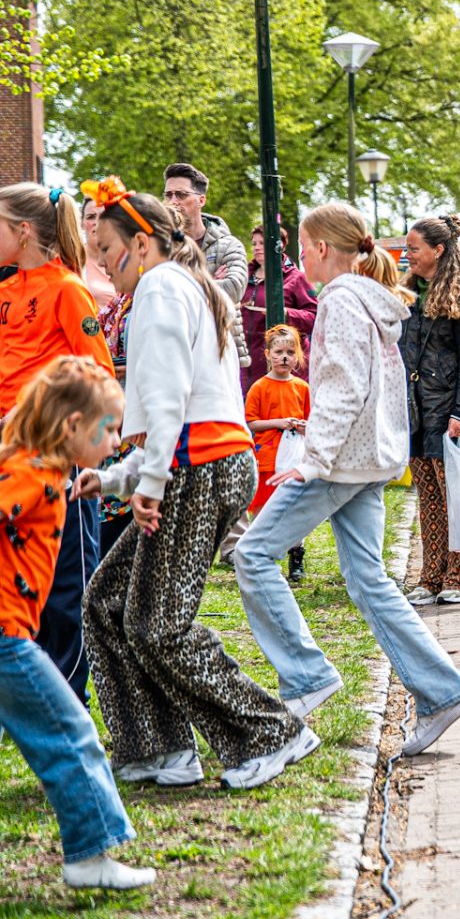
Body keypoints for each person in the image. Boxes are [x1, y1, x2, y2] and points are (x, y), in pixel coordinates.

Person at [81, 184, 313, 791]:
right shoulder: (181, 285)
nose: (102, 262)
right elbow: (185, 407)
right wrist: (116, 477)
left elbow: (169, 402)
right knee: (108, 604)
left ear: (141, 243)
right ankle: (159, 748)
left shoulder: (160, 286)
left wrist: (150, 483)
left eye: (107, 249)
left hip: (200, 468)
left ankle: (271, 731)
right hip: (204, 462)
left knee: (159, 626)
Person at [233, 202, 460, 758]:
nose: (299, 257)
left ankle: (306, 677)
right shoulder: (367, 299)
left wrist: (313, 459)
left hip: (340, 461)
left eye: (301, 247)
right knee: (368, 579)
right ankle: (442, 692)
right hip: (368, 459)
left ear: (321, 248)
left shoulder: (342, 300)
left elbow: (342, 388)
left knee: (252, 554)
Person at [0, 356, 156, 890]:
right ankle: (90, 854)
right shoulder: (32, 475)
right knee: (71, 734)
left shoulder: (37, 467)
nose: (115, 443)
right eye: (109, 430)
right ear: (72, 425)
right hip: (7, 640)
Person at [0, 181, 113, 704]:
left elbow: (98, 373)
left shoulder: (68, 289)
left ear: (24, 232)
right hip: (10, 457)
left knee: (68, 587)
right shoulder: (6, 291)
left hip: (54, 456)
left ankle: (68, 699)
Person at [398, 214, 460, 605]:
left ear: (438, 250)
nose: (407, 254)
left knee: (457, 496)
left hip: (449, 412)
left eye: (413, 248)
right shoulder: (409, 294)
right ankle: (431, 576)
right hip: (416, 411)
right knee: (429, 498)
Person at [244, 325, 310, 581]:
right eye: (279, 352)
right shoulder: (260, 387)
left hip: (293, 459)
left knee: (293, 510)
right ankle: (259, 555)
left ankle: (296, 553)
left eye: (290, 352)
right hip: (267, 459)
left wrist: (302, 426)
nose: (284, 357)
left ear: (298, 356)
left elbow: (310, 421)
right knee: (262, 509)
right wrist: (279, 423)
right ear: (268, 354)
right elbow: (251, 422)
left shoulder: (302, 388)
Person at [240, 226, 318, 392]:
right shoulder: (243, 277)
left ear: (279, 245)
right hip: (248, 371)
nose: (257, 248)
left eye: (262, 243)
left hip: (286, 372)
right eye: (254, 244)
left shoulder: (296, 278)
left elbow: (314, 317)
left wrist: (286, 314)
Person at [160, 163, 247, 305]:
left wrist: (175, 286)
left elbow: (233, 289)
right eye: (168, 195)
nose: (173, 201)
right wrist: (210, 281)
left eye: (181, 195)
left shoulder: (229, 246)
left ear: (201, 200)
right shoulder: (160, 245)